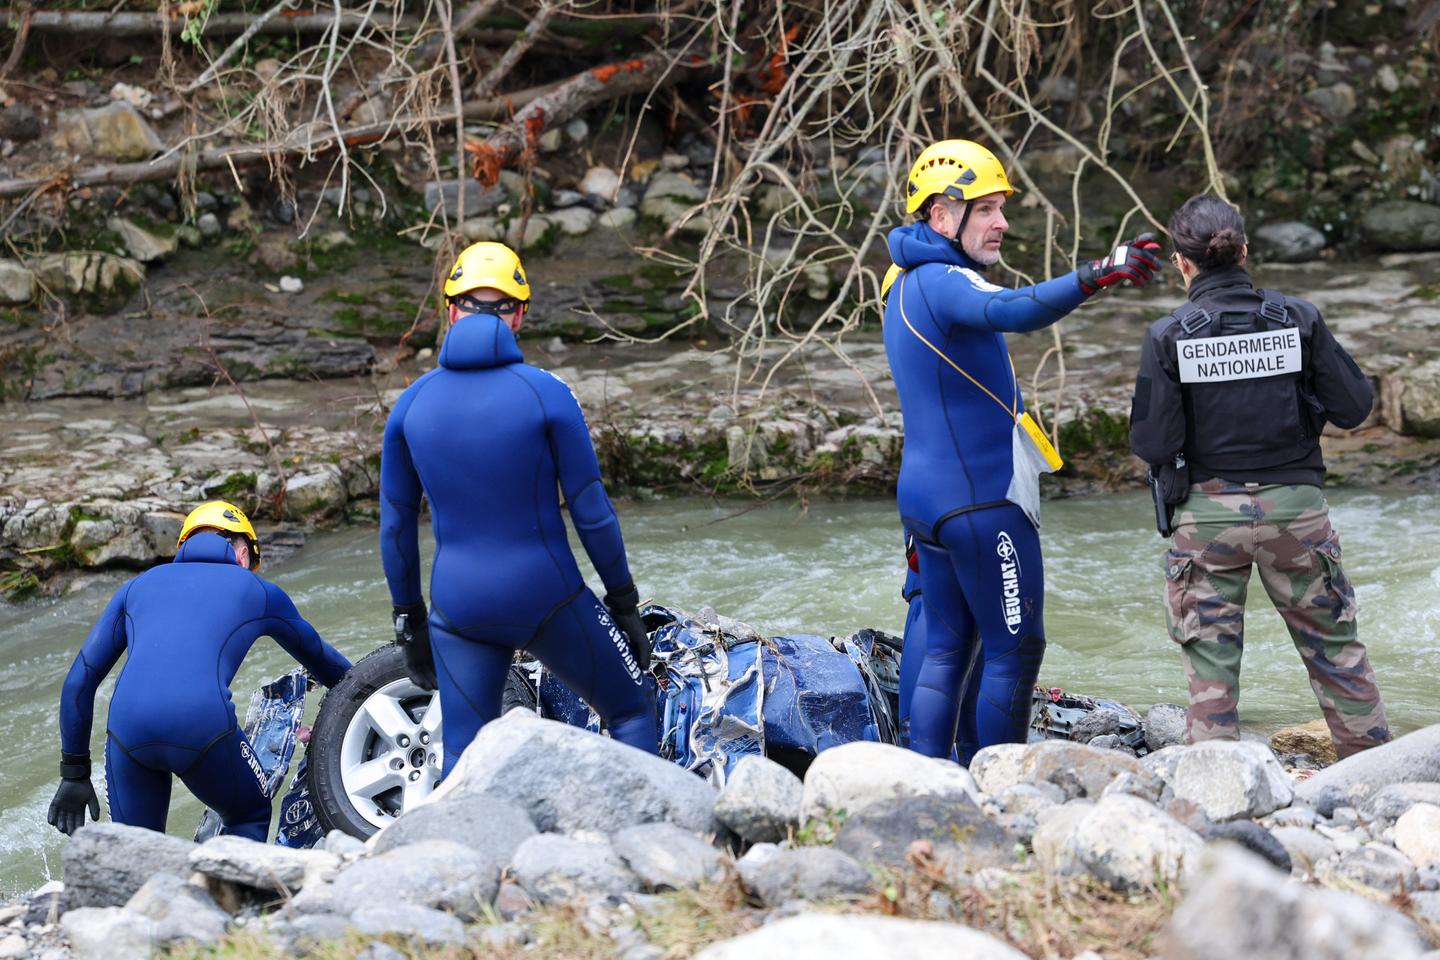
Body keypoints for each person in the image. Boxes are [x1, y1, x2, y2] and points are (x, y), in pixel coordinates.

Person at [883, 139, 1162, 762]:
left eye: (1001, 208)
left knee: (950, 644)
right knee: (1014, 648)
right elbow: (1010, 308)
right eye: (985, 209)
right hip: (982, 501)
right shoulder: (943, 282)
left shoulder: (901, 280)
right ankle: (1002, 783)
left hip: (928, 501)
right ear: (941, 215)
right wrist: (1092, 275)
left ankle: (925, 773)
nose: (1002, 223)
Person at [379, 240, 657, 776]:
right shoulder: (547, 394)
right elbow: (592, 511)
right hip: (547, 596)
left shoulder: (410, 405)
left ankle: (463, 858)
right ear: (520, 314)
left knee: (464, 756)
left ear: (451, 310)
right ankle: (642, 845)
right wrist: (623, 602)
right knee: (628, 709)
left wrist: (408, 622)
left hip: (458, 611)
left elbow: (395, 530)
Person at [1129, 194, 1390, 757]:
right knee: (1336, 652)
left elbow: (1152, 443)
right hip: (1297, 514)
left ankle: (1218, 794)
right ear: (1245, 251)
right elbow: (1353, 407)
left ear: (1182, 263)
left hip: (1207, 519)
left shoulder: (1168, 336)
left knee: (1212, 666)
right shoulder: (1298, 319)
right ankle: (1378, 779)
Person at [48, 501, 353, 839]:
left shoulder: (136, 587)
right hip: (201, 723)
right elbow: (330, 666)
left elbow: (80, 681)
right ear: (242, 553)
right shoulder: (257, 591)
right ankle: (234, 889)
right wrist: (367, 700)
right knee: (249, 813)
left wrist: (73, 773)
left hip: (127, 731)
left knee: (136, 850)